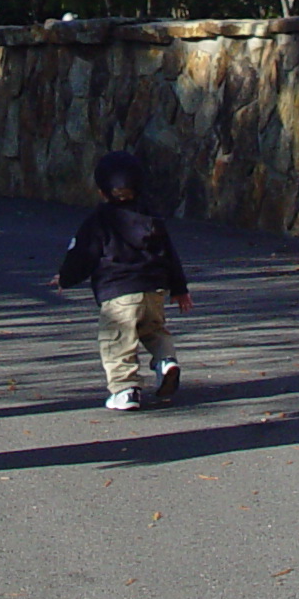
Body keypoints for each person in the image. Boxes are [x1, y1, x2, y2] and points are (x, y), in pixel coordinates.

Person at [55, 150, 193, 411]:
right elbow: (170, 253)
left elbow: (83, 255)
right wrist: (180, 289)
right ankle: (166, 361)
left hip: (118, 294)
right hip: (154, 289)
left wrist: (65, 278)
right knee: (154, 330)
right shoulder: (151, 219)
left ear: (102, 192)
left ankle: (125, 389)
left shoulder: (98, 221)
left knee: (117, 341)